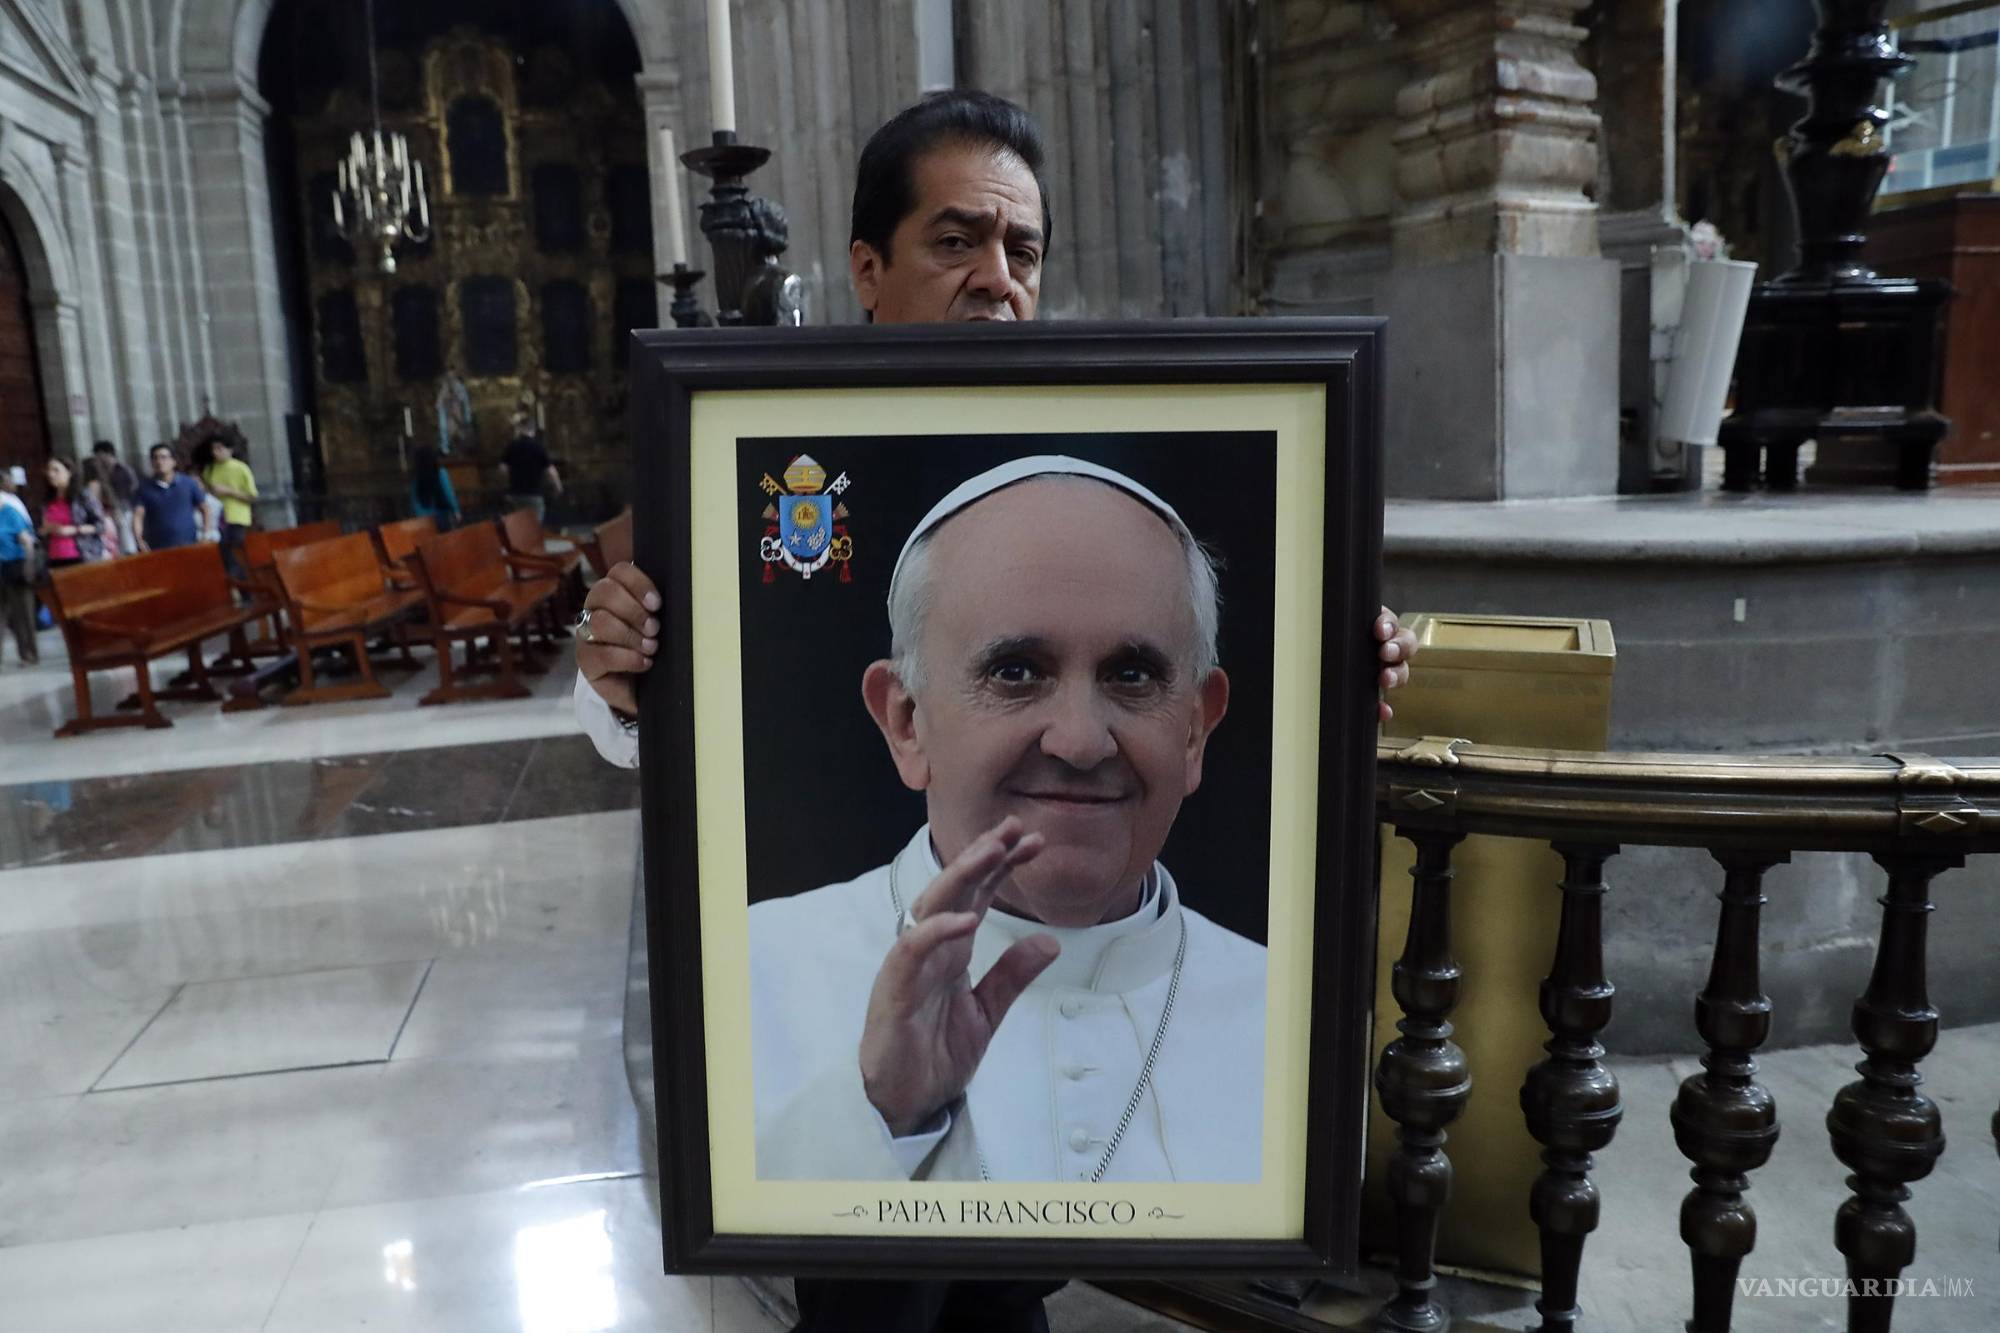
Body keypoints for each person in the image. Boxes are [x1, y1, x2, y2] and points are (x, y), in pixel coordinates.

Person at [572, 91, 1417, 1332]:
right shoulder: (751, 427)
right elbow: (663, 691)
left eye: (1021, 249)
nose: (995, 279)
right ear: (868, 268)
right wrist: (620, 670)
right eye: (955, 240)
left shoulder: (1267, 994)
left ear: (1198, 720)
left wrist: (1340, 660)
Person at [751, 456, 1263, 1184]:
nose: (1080, 742)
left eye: (1132, 675)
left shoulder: (1296, 1019)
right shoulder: (750, 972)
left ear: (1194, 732)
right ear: (906, 722)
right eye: (1016, 672)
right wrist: (882, 1115)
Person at [131, 443, 212, 553]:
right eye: (155, 458)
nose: (159, 462)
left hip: (189, 544)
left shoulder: (188, 483)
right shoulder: (143, 488)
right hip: (157, 548)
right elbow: (138, 516)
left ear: (174, 461)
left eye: (164, 457)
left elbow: (205, 509)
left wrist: (206, 534)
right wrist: (139, 540)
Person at [199, 436, 258, 580]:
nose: (215, 452)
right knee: (218, 555)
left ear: (230, 450)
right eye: (213, 449)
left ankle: (242, 585)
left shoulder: (241, 468)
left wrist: (229, 491)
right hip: (216, 518)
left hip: (236, 518)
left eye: (219, 448)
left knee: (232, 553)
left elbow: (252, 497)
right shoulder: (209, 469)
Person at [38, 457, 106, 569]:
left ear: (69, 472)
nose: (51, 474)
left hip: (81, 555)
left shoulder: (83, 496)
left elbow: (100, 526)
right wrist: (45, 530)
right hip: (54, 557)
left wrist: (73, 530)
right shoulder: (47, 501)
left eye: (56, 470)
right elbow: (41, 529)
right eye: (48, 470)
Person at [0, 465, 38, 664]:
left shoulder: (10, 511)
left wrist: (29, 565)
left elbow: (27, 540)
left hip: (16, 566)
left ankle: (29, 653)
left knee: (23, 613)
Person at [500, 411, 561, 522]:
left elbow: (503, 469)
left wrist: (509, 483)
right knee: (534, 526)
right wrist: (557, 486)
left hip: (515, 494)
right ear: (533, 430)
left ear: (520, 429)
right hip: (534, 494)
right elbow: (551, 471)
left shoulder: (511, 446)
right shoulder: (538, 447)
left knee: (518, 527)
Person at [89, 440, 138, 554]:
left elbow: (121, 495)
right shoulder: (104, 471)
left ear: (107, 454)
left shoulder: (121, 470)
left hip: (123, 510)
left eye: (99, 455)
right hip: (111, 511)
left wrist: (115, 509)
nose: (97, 458)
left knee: (127, 543)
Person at [410, 445, 461, 527]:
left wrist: (420, 518)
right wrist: (456, 510)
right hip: (442, 517)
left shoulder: (417, 478)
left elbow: (415, 502)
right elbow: (449, 493)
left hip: (424, 520)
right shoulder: (440, 473)